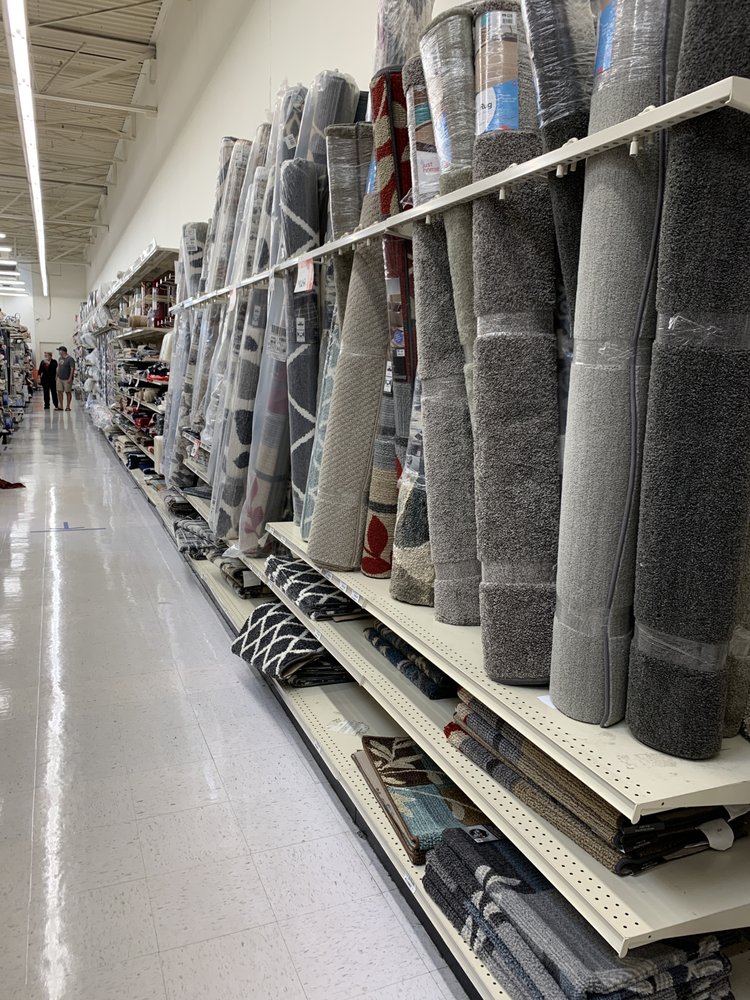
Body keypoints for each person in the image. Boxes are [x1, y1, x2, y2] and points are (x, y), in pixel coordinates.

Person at [56, 346, 75, 411]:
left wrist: (70, 378)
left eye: (59, 351)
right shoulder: (60, 358)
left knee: (68, 392)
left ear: (63, 351)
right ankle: (61, 406)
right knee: (59, 391)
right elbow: (58, 367)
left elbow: (72, 369)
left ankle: (68, 406)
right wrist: (57, 375)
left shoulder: (70, 359)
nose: (59, 352)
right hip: (60, 378)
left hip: (67, 379)